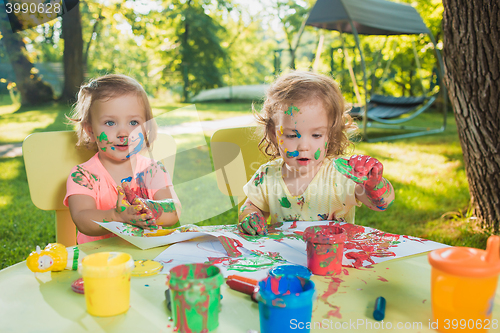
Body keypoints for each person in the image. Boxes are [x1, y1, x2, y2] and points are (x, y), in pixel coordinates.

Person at [238, 71, 395, 235]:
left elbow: (382, 204)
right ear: (273, 134)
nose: (304, 146)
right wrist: (251, 215)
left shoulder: (340, 175)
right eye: (292, 135)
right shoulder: (267, 175)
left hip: (332, 257)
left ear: (330, 134)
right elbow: (250, 206)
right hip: (285, 258)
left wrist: (374, 185)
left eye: (316, 135)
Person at [64, 74, 181, 244]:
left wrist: (150, 209)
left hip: (149, 257)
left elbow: (175, 210)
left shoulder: (152, 170)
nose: (124, 133)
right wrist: (116, 216)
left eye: (133, 122)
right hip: (100, 260)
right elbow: (82, 218)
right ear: (90, 130)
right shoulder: (83, 176)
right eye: (110, 123)